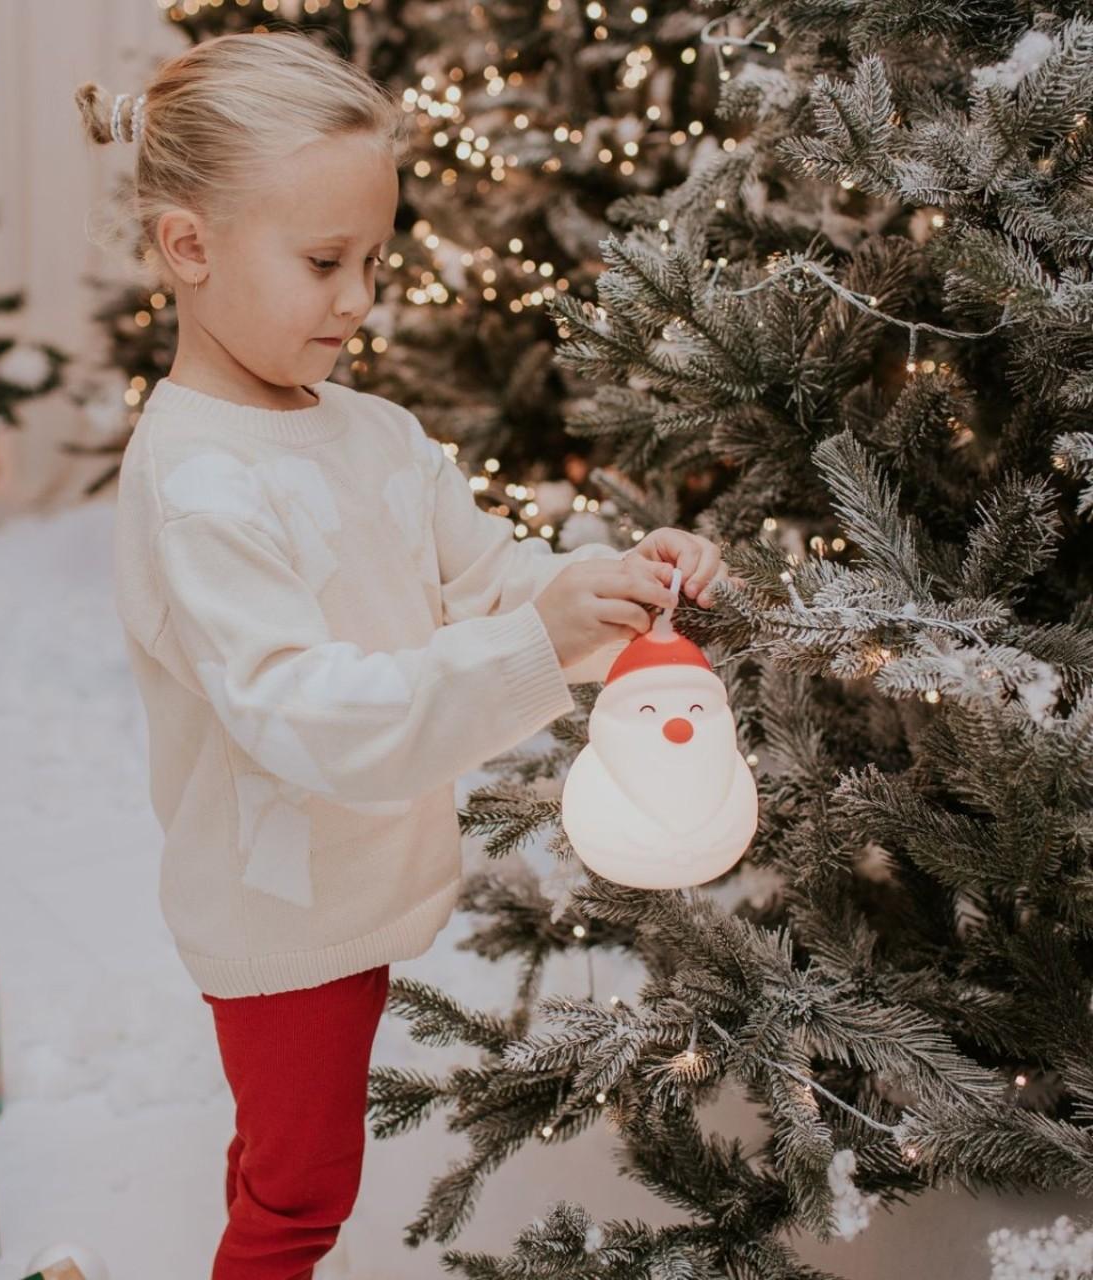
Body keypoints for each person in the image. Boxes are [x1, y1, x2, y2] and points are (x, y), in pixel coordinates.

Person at [75, 30, 736, 1280]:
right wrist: (533, 649)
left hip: (361, 878)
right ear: (189, 247)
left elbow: (487, 580)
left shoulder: (372, 431)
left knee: (284, 1151)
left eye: (373, 259)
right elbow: (307, 716)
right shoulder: (198, 488)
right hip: (279, 913)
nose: (359, 299)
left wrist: (601, 592)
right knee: (301, 1186)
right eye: (323, 262)